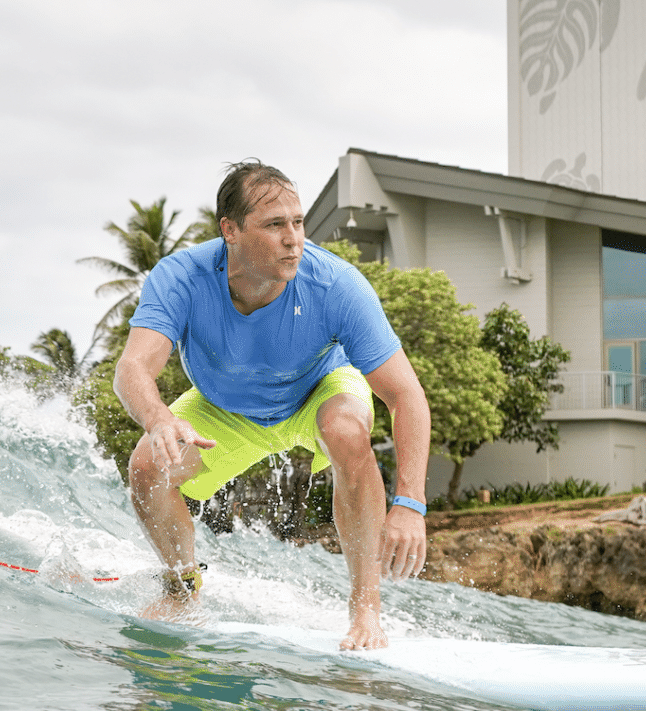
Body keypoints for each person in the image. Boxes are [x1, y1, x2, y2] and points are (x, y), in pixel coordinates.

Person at [116, 160, 432, 650]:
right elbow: (133, 367)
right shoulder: (182, 277)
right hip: (226, 407)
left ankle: (365, 611)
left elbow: (405, 394)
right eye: (273, 225)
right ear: (231, 230)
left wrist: (410, 502)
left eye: (298, 222)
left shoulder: (334, 285)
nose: (293, 238)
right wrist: (159, 420)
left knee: (349, 436)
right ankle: (181, 590)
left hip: (319, 389)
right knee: (146, 467)